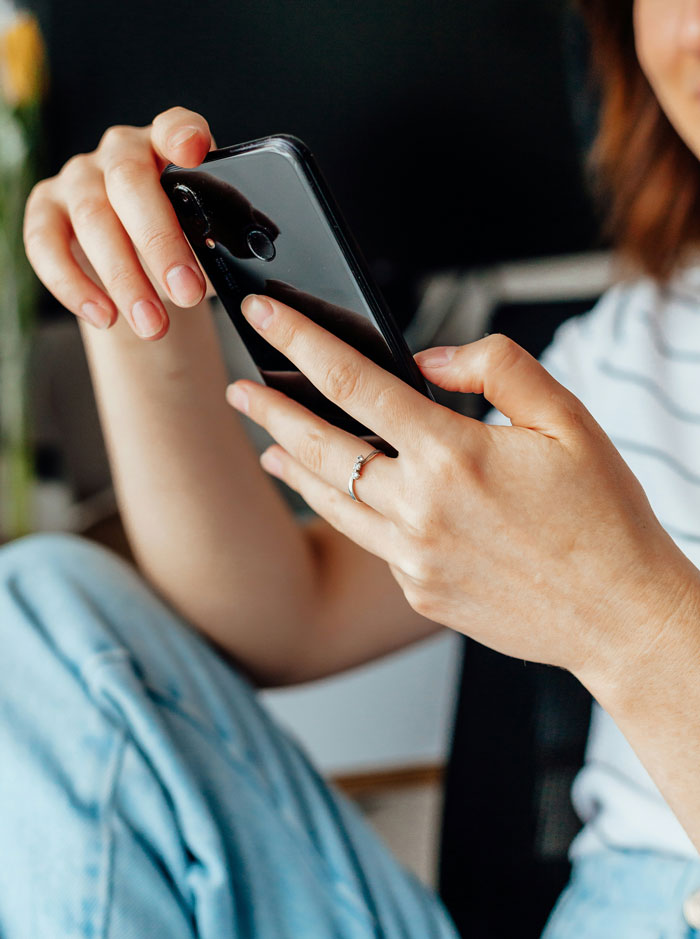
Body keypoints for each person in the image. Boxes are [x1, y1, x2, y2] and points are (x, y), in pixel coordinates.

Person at [6, 0, 700, 934]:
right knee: (36, 609)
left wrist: (636, 627)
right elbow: (286, 615)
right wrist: (137, 297)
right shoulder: (631, 346)